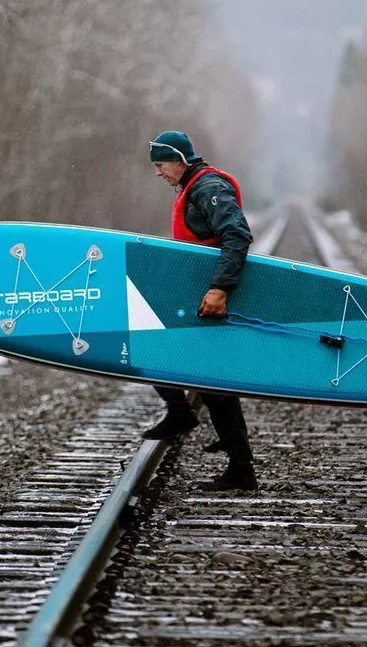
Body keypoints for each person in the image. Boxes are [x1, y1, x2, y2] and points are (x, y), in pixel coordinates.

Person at [144, 130, 258, 492]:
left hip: (212, 295)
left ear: (179, 161)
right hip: (200, 293)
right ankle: (237, 460)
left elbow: (237, 235)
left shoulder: (208, 188)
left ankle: (183, 416)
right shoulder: (194, 186)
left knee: (154, 346)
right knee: (212, 381)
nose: (158, 173)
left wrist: (220, 289)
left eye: (161, 165)